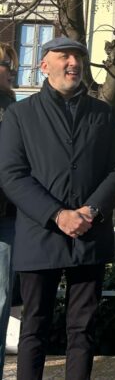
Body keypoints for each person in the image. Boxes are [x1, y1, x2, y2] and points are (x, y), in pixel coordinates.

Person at [0, 37, 115, 380]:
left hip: (90, 234)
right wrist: (58, 214)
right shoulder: (19, 114)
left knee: (82, 329)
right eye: (65, 57)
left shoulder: (102, 114)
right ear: (44, 65)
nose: (73, 63)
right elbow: (12, 175)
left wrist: (90, 211)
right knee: (34, 327)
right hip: (39, 234)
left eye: (79, 58)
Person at [0, 42, 18, 378]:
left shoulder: (15, 110)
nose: (10, 70)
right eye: (4, 63)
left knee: (0, 302)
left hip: (5, 217)